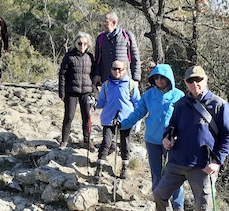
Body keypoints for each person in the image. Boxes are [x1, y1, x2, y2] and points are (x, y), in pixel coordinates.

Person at [153, 66, 229, 211]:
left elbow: (227, 135)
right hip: (177, 162)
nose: (195, 84)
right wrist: (166, 138)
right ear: (185, 82)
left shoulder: (220, 105)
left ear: (206, 79)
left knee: (203, 208)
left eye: (198, 79)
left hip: (203, 166)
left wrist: (217, 161)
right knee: (159, 194)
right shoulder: (180, 104)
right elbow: (172, 127)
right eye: (190, 80)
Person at [120, 64, 185, 210]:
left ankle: (178, 207)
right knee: (156, 175)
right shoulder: (148, 95)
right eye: (156, 77)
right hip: (152, 140)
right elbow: (138, 113)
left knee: (175, 177)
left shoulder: (179, 96)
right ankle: (160, 205)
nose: (159, 80)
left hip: (172, 143)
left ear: (169, 78)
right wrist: (122, 125)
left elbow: (185, 120)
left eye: (163, 77)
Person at [94, 60, 140, 182]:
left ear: (125, 69)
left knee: (125, 143)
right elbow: (101, 103)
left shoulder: (131, 84)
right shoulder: (106, 85)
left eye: (120, 69)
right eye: (115, 68)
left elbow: (138, 103)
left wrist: (137, 122)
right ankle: (99, 167)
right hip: (109, 118)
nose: (117, 71)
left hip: (126, 119)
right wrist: (93, 104)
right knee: (106, 142)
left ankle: (124, 167)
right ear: (111, 70)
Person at [58, 32, 96, 152]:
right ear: (75, 43)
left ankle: (87, 141)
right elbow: (62, 75)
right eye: (80, 43)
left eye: (85, 43)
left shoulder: (90, 57)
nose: (82, 46)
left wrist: (95, 93)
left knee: (87, 117)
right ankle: (64, 140)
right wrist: (62, 93)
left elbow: (94, 75)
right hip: (71, 91)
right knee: (69, 116)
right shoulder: (69, 56)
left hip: (86, 91)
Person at [93, 11, 141, 87]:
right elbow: (98, 60)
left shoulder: (127, 36)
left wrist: (136, 79)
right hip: (107, 81)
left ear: (114, 22)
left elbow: (135, 58)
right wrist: (97, 74)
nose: (103, 24)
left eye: (106, 21)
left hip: (125, 81)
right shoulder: (100, 39)